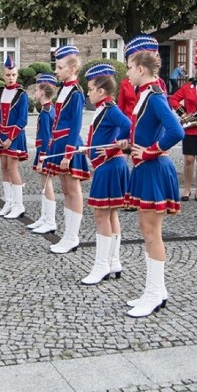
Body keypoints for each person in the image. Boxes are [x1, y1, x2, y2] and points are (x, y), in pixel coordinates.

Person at [122, 35, 185, 318]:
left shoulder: (155, 97)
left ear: (142, 69)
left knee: (151, 233)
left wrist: (149, 152)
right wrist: (129, 143)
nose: (127, 72)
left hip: (154, 168)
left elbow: (176, 131)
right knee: (148, 232)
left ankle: (154, 292)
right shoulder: (146, 94)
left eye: (129, 66)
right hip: (146, 168)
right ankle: (156, 290)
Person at [81, 64, 131, 285]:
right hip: (108, 164)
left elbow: (129, 126)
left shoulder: (110, 108)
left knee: (101, 216)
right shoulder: (103, 108)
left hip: (110, 165)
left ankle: (101, 266)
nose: (88, 92)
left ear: (101, 91)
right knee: (111, 216)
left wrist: (115, 145)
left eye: (90, 88)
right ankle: (113, 262)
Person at [45, 45, 91, 254]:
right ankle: (67, 235)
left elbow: (75, 124)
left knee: (73, 190)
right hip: (59, 143)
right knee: (65, 190)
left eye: (61, 67)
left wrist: (69, 152)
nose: (57, 70)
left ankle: (72, 236)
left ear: (72, 69)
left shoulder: (76, 92)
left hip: (69, 145)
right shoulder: (64, 88)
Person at [168, 60, 197, 202]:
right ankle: (187, 189)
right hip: (190, 128)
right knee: (188, 160)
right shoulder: (188, 87)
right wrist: (183, 113)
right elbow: (173, 99)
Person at [0, 55, 29, 219]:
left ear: (17, 75)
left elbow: (23, 119)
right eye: (8, 75)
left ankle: (18, 205)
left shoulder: (22, 94)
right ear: (3, 75)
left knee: (13, 168)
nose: (10, 77)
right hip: (2, 134)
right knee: (4, 168)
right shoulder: (0, 92)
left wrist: (10, 138)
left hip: (15, 136)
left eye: (13, 74)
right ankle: (8, 202)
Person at [27, 73, 58, 234]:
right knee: (44, 186)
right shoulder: (49, 109)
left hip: (45, 153)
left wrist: (41, 159)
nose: (34, 93)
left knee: (47, 186)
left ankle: (50, 220)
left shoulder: (47, 112)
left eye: (36, 89)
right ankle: (44, 217)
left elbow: (46, 137)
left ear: (42, 91)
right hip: (44, 151)